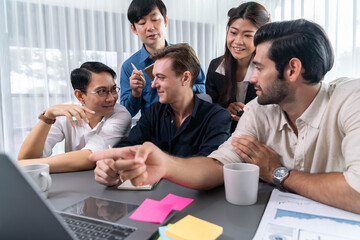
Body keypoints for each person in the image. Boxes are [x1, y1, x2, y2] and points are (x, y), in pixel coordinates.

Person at [89, 20, 360, 214]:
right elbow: (219, 166)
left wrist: (279, 174)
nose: (251, 77)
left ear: (292, 69)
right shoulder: (259, 111)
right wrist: (165, 165)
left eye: (259, 67)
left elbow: (356, 193)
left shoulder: (350, 99)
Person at [91, 43, 231, 186]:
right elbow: (128, 146)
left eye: (161, 77)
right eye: (154, 77)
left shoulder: (217, 118)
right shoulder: (153, 112)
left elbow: (210, 167)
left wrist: (164, 164)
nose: (153, 84)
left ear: (185, 78)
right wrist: (110, 166)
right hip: (153, 199)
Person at [18, 62, 131, 172]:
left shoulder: (121, 115)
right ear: (80, 95)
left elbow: (90, 157)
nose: (111, 98)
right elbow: (27, 157)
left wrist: (27, 165)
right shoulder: (65, 112)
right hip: (70, 181)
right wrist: (48, 115)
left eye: (113, 89)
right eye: (102, 91)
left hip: (105, 181)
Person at [120, 0, 206, 117]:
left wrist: (184, 86)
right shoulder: (129, 66)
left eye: (155, 20)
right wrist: (135, 93)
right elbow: (126, 113)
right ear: (134, 29)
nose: (150, 27)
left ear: (165, 21)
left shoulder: (185, 55)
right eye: (142, 23)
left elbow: (205, 88)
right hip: (153, 129)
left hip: (188, 123)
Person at [206, 2, 270, 132]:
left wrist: (251, 116)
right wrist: (225, 111)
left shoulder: (270, 70)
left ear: (261, 38)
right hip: (224, 136)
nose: (238, 41)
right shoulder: (215, 67)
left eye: (247, 35)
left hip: (261, 134)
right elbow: (209, 111)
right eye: (233, 33)